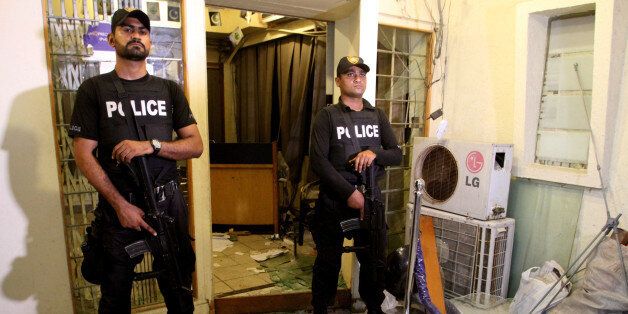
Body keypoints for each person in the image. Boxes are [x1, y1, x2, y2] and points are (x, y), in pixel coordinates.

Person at [69, 8, 202, 314]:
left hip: (168, 204)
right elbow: (83, 154)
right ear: (111, 38)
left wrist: (150, 146)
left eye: (142, 30)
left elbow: (195, 146)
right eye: (127, 29)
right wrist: (120, 206)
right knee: (115, 294)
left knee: (179, 289)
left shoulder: (169, 90)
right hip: (121, 207)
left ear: (149, 41)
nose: (136, 35)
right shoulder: (94, 90)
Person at [309, 56, 402, 314]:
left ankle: (374, 306)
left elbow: (396, 153)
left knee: (374, 262)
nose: (357, 78)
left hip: (371, 199)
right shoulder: (327, 116)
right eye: (349, 74)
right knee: (328, 262)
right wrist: (350, 194)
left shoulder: (377, 115)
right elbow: (319, 161)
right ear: (338, 81)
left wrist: (374, 153)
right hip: (336, 201)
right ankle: (321, 308)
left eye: (361, 73)